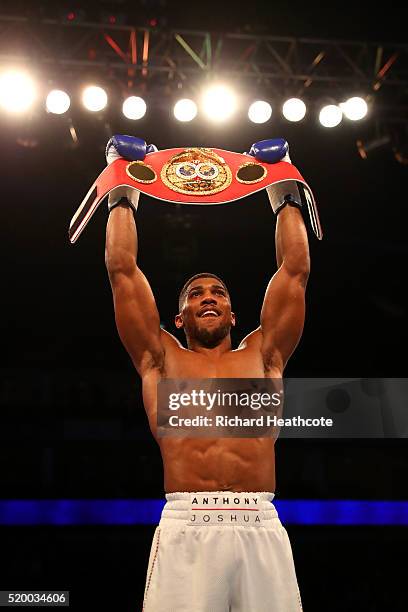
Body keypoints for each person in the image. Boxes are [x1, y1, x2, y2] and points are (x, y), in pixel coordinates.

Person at [105, 135, 308, 611]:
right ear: (179, 318)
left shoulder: (264, 355)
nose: (209, 297)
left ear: (235, 314)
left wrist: (283, 186)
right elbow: (121, 269)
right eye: (196, 294)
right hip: (187, 524)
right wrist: (120, 184)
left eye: (218, 291)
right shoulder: (162, 360)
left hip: (260, 522)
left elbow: (295, 269)